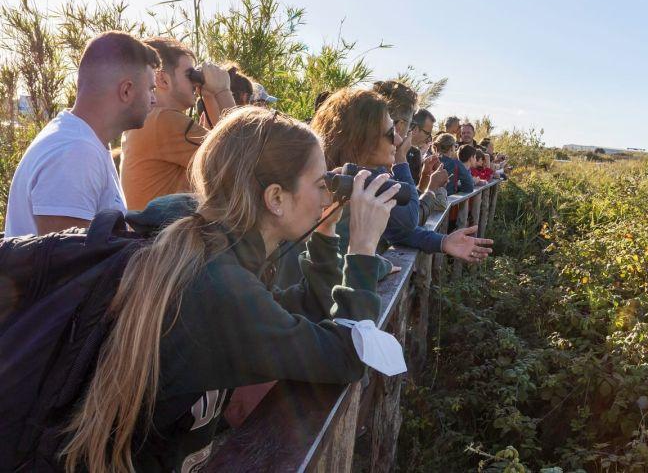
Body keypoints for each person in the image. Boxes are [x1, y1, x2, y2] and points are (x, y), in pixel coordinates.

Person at [61, 106, 398, 473]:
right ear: (276, 198)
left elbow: (307, 311)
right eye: (321, 185)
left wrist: (325, 232)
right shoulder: (218, 284)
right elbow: (348, 356)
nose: (326, 197)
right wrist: (363, 248)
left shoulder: (212, 251)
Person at [3, 31, 159, 237]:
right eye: (150, 89)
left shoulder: (83, 141)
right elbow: (67, 264)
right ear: (126, 91)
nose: (154, 99)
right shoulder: (75, 153)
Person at [311, 89, 492, 262]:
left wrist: (443, 242)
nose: (399, 140)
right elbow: (409, 219)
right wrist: (401, 160)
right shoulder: (337, 184)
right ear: (362, 139)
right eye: (391, 133)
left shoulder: (366, 177)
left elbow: (399, 230)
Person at [119, 37, 236, 211]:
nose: (195, 82)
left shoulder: (150, 120)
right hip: (167, 235)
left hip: (158, 234)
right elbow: (243, 156)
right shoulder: (164, 121)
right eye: (190, 75)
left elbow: (224, 150)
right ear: (162, 80)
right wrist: (223, 90)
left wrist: (209, 96)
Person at [406, 108, 436, 182]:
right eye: (427, 133)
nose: (429, 138)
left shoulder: (416, 152)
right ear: (415, 129)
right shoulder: (394, 148)